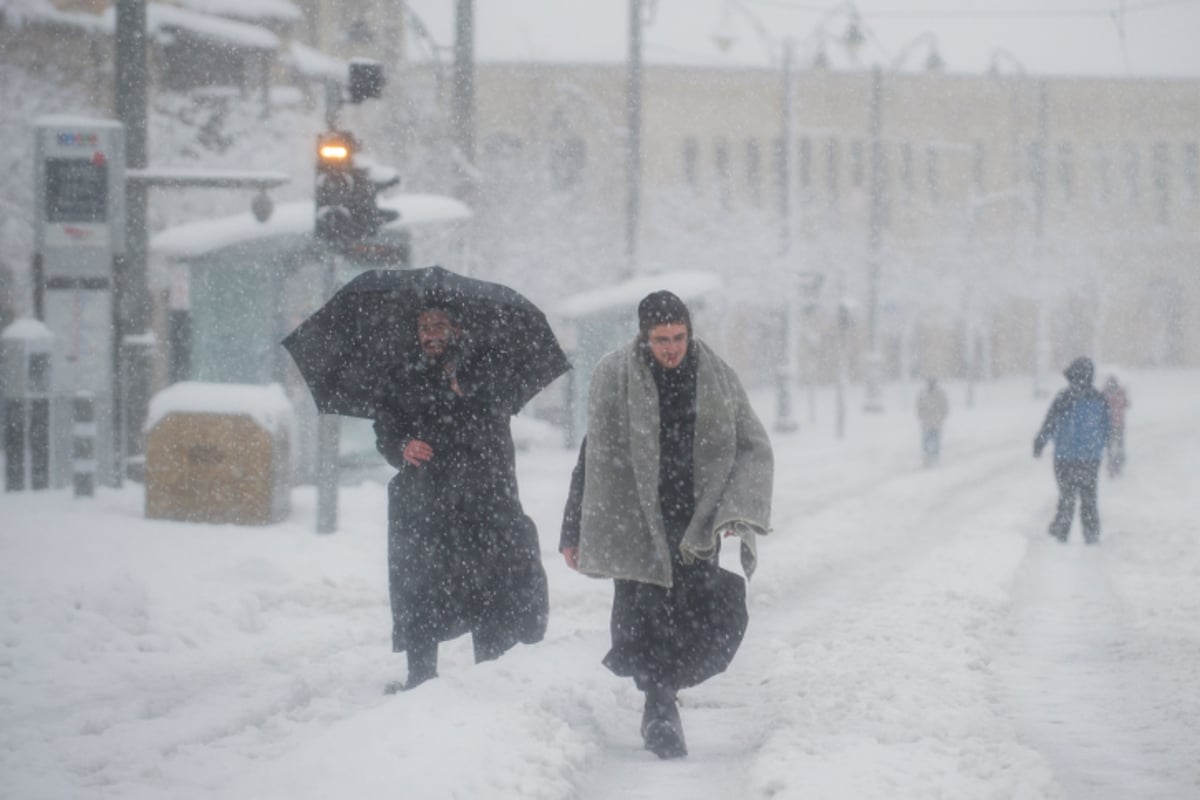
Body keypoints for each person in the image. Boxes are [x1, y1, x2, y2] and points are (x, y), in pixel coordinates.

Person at [559, 291, 774, 759]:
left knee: (696, 617)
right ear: (644, 337)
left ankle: (663, 692)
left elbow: (749, 443)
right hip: (634, 515)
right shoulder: (615, 376)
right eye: (661, 340)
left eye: (678, 337)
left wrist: (736, 508)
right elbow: (592, 454)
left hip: (695, 520)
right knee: (645, 618)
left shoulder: (716, 378)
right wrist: (572, 528)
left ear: (689, 332)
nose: (671, 348)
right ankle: (659, 707)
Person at [373, 305, 548, 692]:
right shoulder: (403, 374)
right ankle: (420, 676)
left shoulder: (487, 365)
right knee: (420, 586)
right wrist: (403, 445)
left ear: (458, 328)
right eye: (422, 327)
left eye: (438, 325)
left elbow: (501, 408)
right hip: (425, 501)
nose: (430, 334)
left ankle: (491, 673)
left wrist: (465, 389)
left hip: (484, 496)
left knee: (488, 583)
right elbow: (385, 427)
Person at [1033, 356, 1112, 544]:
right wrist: (1105, 447)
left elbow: (1049, 423)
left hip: (1065, 458)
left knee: (1066, 496)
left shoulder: (1063, 398)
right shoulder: (1099, 399)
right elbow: (1107, 428)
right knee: (1089, 497)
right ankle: (1091, 533)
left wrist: (1039, 443)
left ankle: (1061, 530)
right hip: (1090, 458)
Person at [915, 376, 949, 466]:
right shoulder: (922, 394)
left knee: (936, 439)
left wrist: (942, 417)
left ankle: (935, 456)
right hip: (926, 421)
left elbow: (944, 406)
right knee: (926, 440)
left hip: (936, 421)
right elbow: (919, 406)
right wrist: (921, 416)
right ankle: (927, 456)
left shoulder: (940, 394)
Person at [1102, 374, 1130, 477]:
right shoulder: (1121, 393)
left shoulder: (1104, 394)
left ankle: (1111, 466)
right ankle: (1118, 464)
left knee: (1109, 446)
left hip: (1108, 425)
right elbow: (1127, 404)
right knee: (1119, 444)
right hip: (1119, 424)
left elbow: (1101, 407)